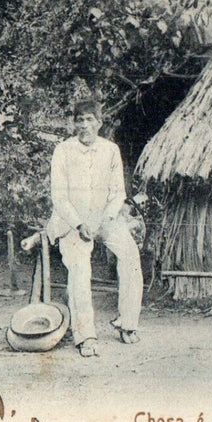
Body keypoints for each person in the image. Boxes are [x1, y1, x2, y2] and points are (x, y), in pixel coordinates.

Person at [44, 99, 143, 357]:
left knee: (130, 256)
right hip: (71, 221)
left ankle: (128, 323)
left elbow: (117, 193)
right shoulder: (63, 151)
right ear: (73, 123)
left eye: (90, 119)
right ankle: (85, 335)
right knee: (79, 268)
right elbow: (59, 196)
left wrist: (103, 221)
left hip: (104, 220)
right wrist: (79, 223)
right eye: (80, 120)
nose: (84, 125)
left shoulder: (110, 150)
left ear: (99, 123)